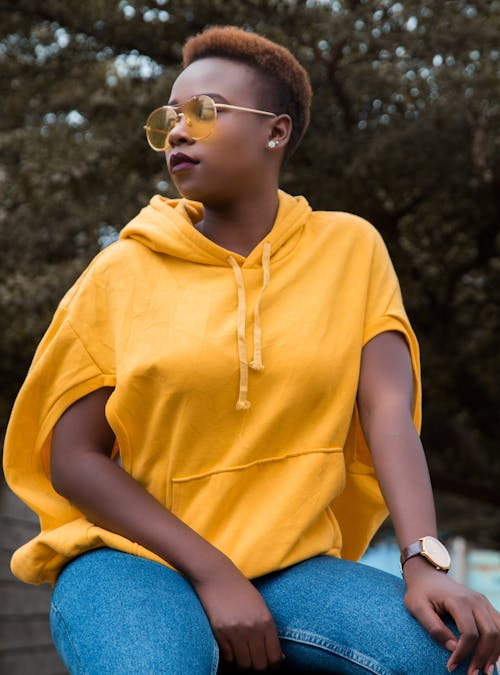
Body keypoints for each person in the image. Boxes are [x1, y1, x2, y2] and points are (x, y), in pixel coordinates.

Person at [3, 25, 499, 675]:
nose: (178, 131)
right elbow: (72, 458)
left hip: (292, 565)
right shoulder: (120, 271)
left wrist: (422, 562)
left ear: (277, 130)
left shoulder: (349, 249)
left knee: (448, 658)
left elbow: (387, 412)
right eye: (168, 120)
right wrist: (213, 572)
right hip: (130, 563)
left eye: (204, 111)